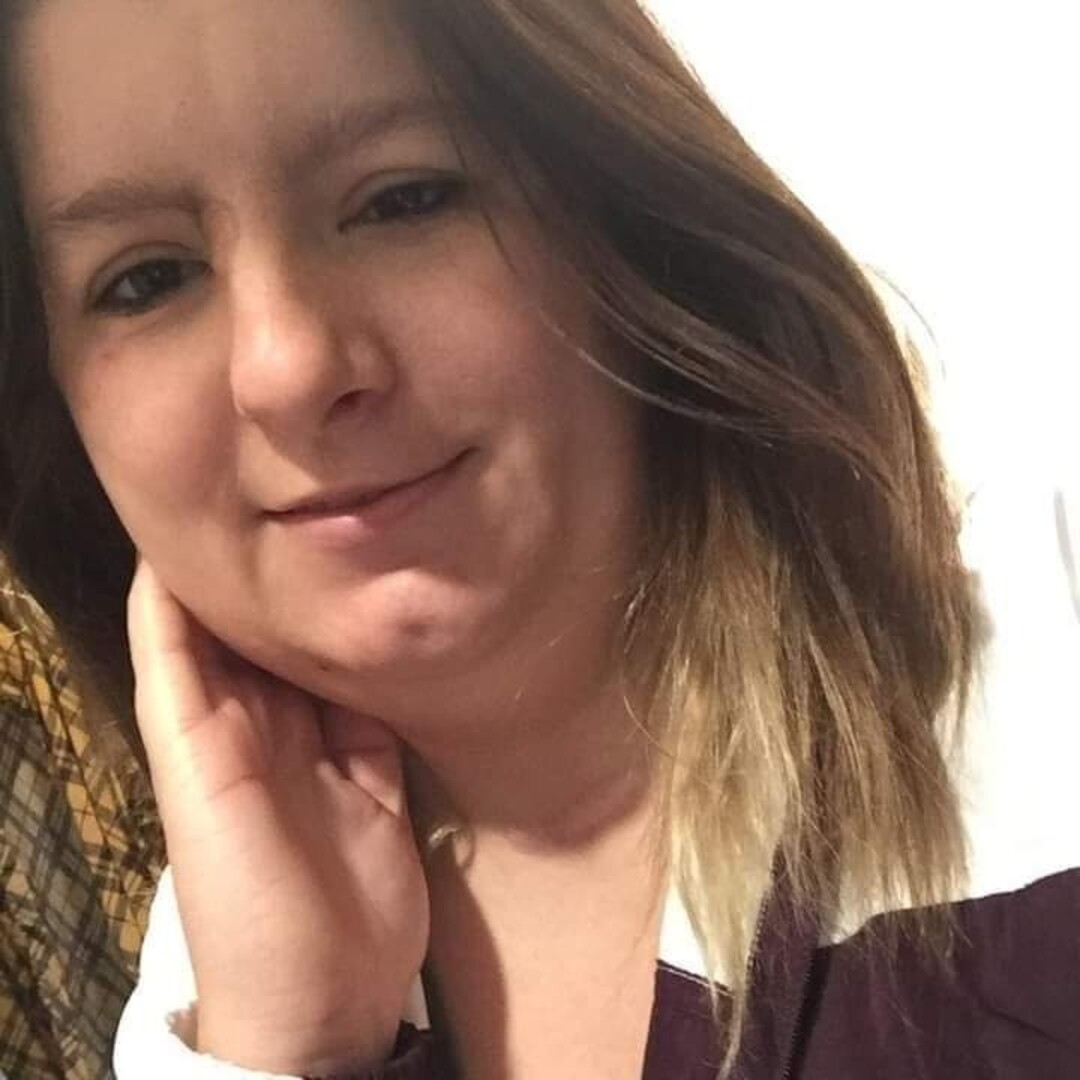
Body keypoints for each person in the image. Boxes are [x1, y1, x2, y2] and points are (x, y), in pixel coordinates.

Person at [0, 1, 1075, 1078]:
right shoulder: (212, 997)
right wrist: (297, 1048)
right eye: (146, 279)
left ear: (618, 214)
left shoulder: (1042, 658)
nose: (289, 367)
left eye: (402, 198)